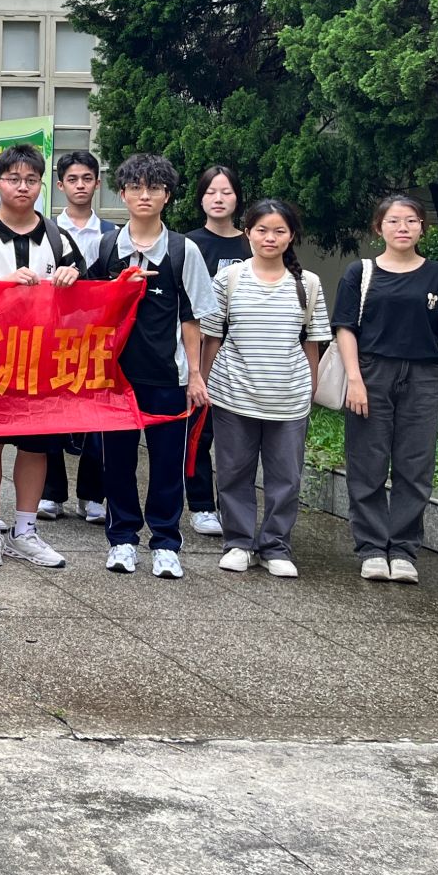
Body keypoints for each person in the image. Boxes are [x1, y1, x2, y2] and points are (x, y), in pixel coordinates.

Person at [0, 143, 80, 570]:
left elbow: (86, 301)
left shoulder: (60, 238)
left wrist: (74, 276)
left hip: (42, 361)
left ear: (41, 185)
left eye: (31, 180)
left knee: (36, 447)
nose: (22, 187)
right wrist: (2, 285)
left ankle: (25, 529)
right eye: (13, 179)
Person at [92, 153, 218, 579]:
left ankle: (165, 542)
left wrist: (196, 376)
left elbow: (193, 318)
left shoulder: (184, 250)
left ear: (168, 196)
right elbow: (88, 304)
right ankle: (122, 539)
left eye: (154, 188)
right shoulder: (107, 246)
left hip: (170, 376)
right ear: (122, 194)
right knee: (118, 462)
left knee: (167, 464)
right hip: (117, 378)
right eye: (135, 187)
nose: (144, 195)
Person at [332, 194, 438, 584]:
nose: (402, 227)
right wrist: (355, 379)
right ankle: (372, 547)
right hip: (371, 371)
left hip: (423, 375)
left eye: (411, 220)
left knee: (415, 464)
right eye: (393, 221)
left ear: (423, 227)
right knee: (367, 462)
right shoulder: (360, 272)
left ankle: (404, 550)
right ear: (379, 228)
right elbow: (345, 328)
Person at [200, 199, 331, 578]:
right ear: (247, 233)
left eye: (279, 231)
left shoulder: (308, 284)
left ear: (291, 236)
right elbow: (212, 337)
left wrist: (310, 388)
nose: (269, 238)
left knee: (286, 478)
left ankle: (276, 546)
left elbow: (313, 342)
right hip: (233, 393)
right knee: (233, 473)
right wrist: (203, 383)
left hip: (288, 398)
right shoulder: (229, 278)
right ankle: (238, 543)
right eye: (261, 230)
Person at [183, 164, 251, 538]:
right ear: (201, 198)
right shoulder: (187, 244)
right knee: (199, 432)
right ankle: (201, 505)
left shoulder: (252, 243)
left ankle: (234, 506)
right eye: (211, 192)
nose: (219, 199)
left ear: (238, 198)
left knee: (238, 439)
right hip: (199, 351)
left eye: (226, 192)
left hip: (244, 353)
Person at [44, 150, 109, 523]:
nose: (80, 185)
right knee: (51, 412)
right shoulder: (46, 230)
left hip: (98, 337)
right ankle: (51, 493)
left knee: (97, 416)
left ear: (98, 183)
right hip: (53, 335)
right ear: (60, 185)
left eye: (87, 178)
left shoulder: (112, 234)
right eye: (72, 179)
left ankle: (92, 495)